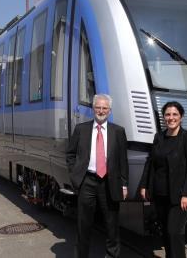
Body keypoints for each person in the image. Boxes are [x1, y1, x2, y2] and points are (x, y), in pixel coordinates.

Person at [66, 94, 128, 258]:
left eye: (104, 108)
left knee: (111, 226)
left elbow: (123, 161)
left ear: (110, 110)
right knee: (83, 225)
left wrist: (124, 184)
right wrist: (75, 175)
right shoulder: (81, 129)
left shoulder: (118, 131)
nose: (101, 111)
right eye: (98, 107)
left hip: (110, 182)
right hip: (87, 181)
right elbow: (70, 154)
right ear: (93, 109)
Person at [139, 101, 187, 258]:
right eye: (167, 114)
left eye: (175, 114)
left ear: (181, 117)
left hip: (180, 197)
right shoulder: (159, 137)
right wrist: (144, 185)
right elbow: (150, 163)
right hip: (160, 195)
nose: (171, 118)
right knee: (165, 232)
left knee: (174, 232)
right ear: (163, 117)